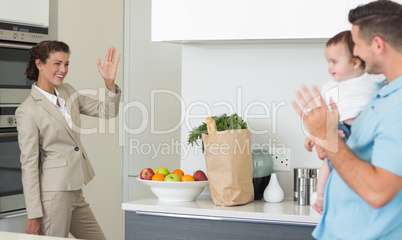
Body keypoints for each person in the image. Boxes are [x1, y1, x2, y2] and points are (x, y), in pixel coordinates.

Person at [293, 0, 402, 239]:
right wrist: (327, 143)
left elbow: (378, 192)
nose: (356, 54)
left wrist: (330, 137)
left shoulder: (398, 104)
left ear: (378, 44)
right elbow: (350, 157)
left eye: (358, 45)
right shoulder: (380, 93)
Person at [16, 41, 121, 239]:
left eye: (66, 64)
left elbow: (107, 112)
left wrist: (109, 84)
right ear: (39, 64)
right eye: (57, 63)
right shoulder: (28, 110)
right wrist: (33, 214)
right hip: (53, 194)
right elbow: (28, 164)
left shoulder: (68, 91)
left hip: (76, 190)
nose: (63, 70)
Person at [304, 30, 384, 214]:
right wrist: (314, 135)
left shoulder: (373, 79)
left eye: (334, 62)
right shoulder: (329, 87)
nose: (329, 67)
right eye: (328, 62)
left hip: (364, 130)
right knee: (328, 164)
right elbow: (322, 116)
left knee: (360, 164)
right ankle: (321, 195)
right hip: (340, 129)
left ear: (355, 62)